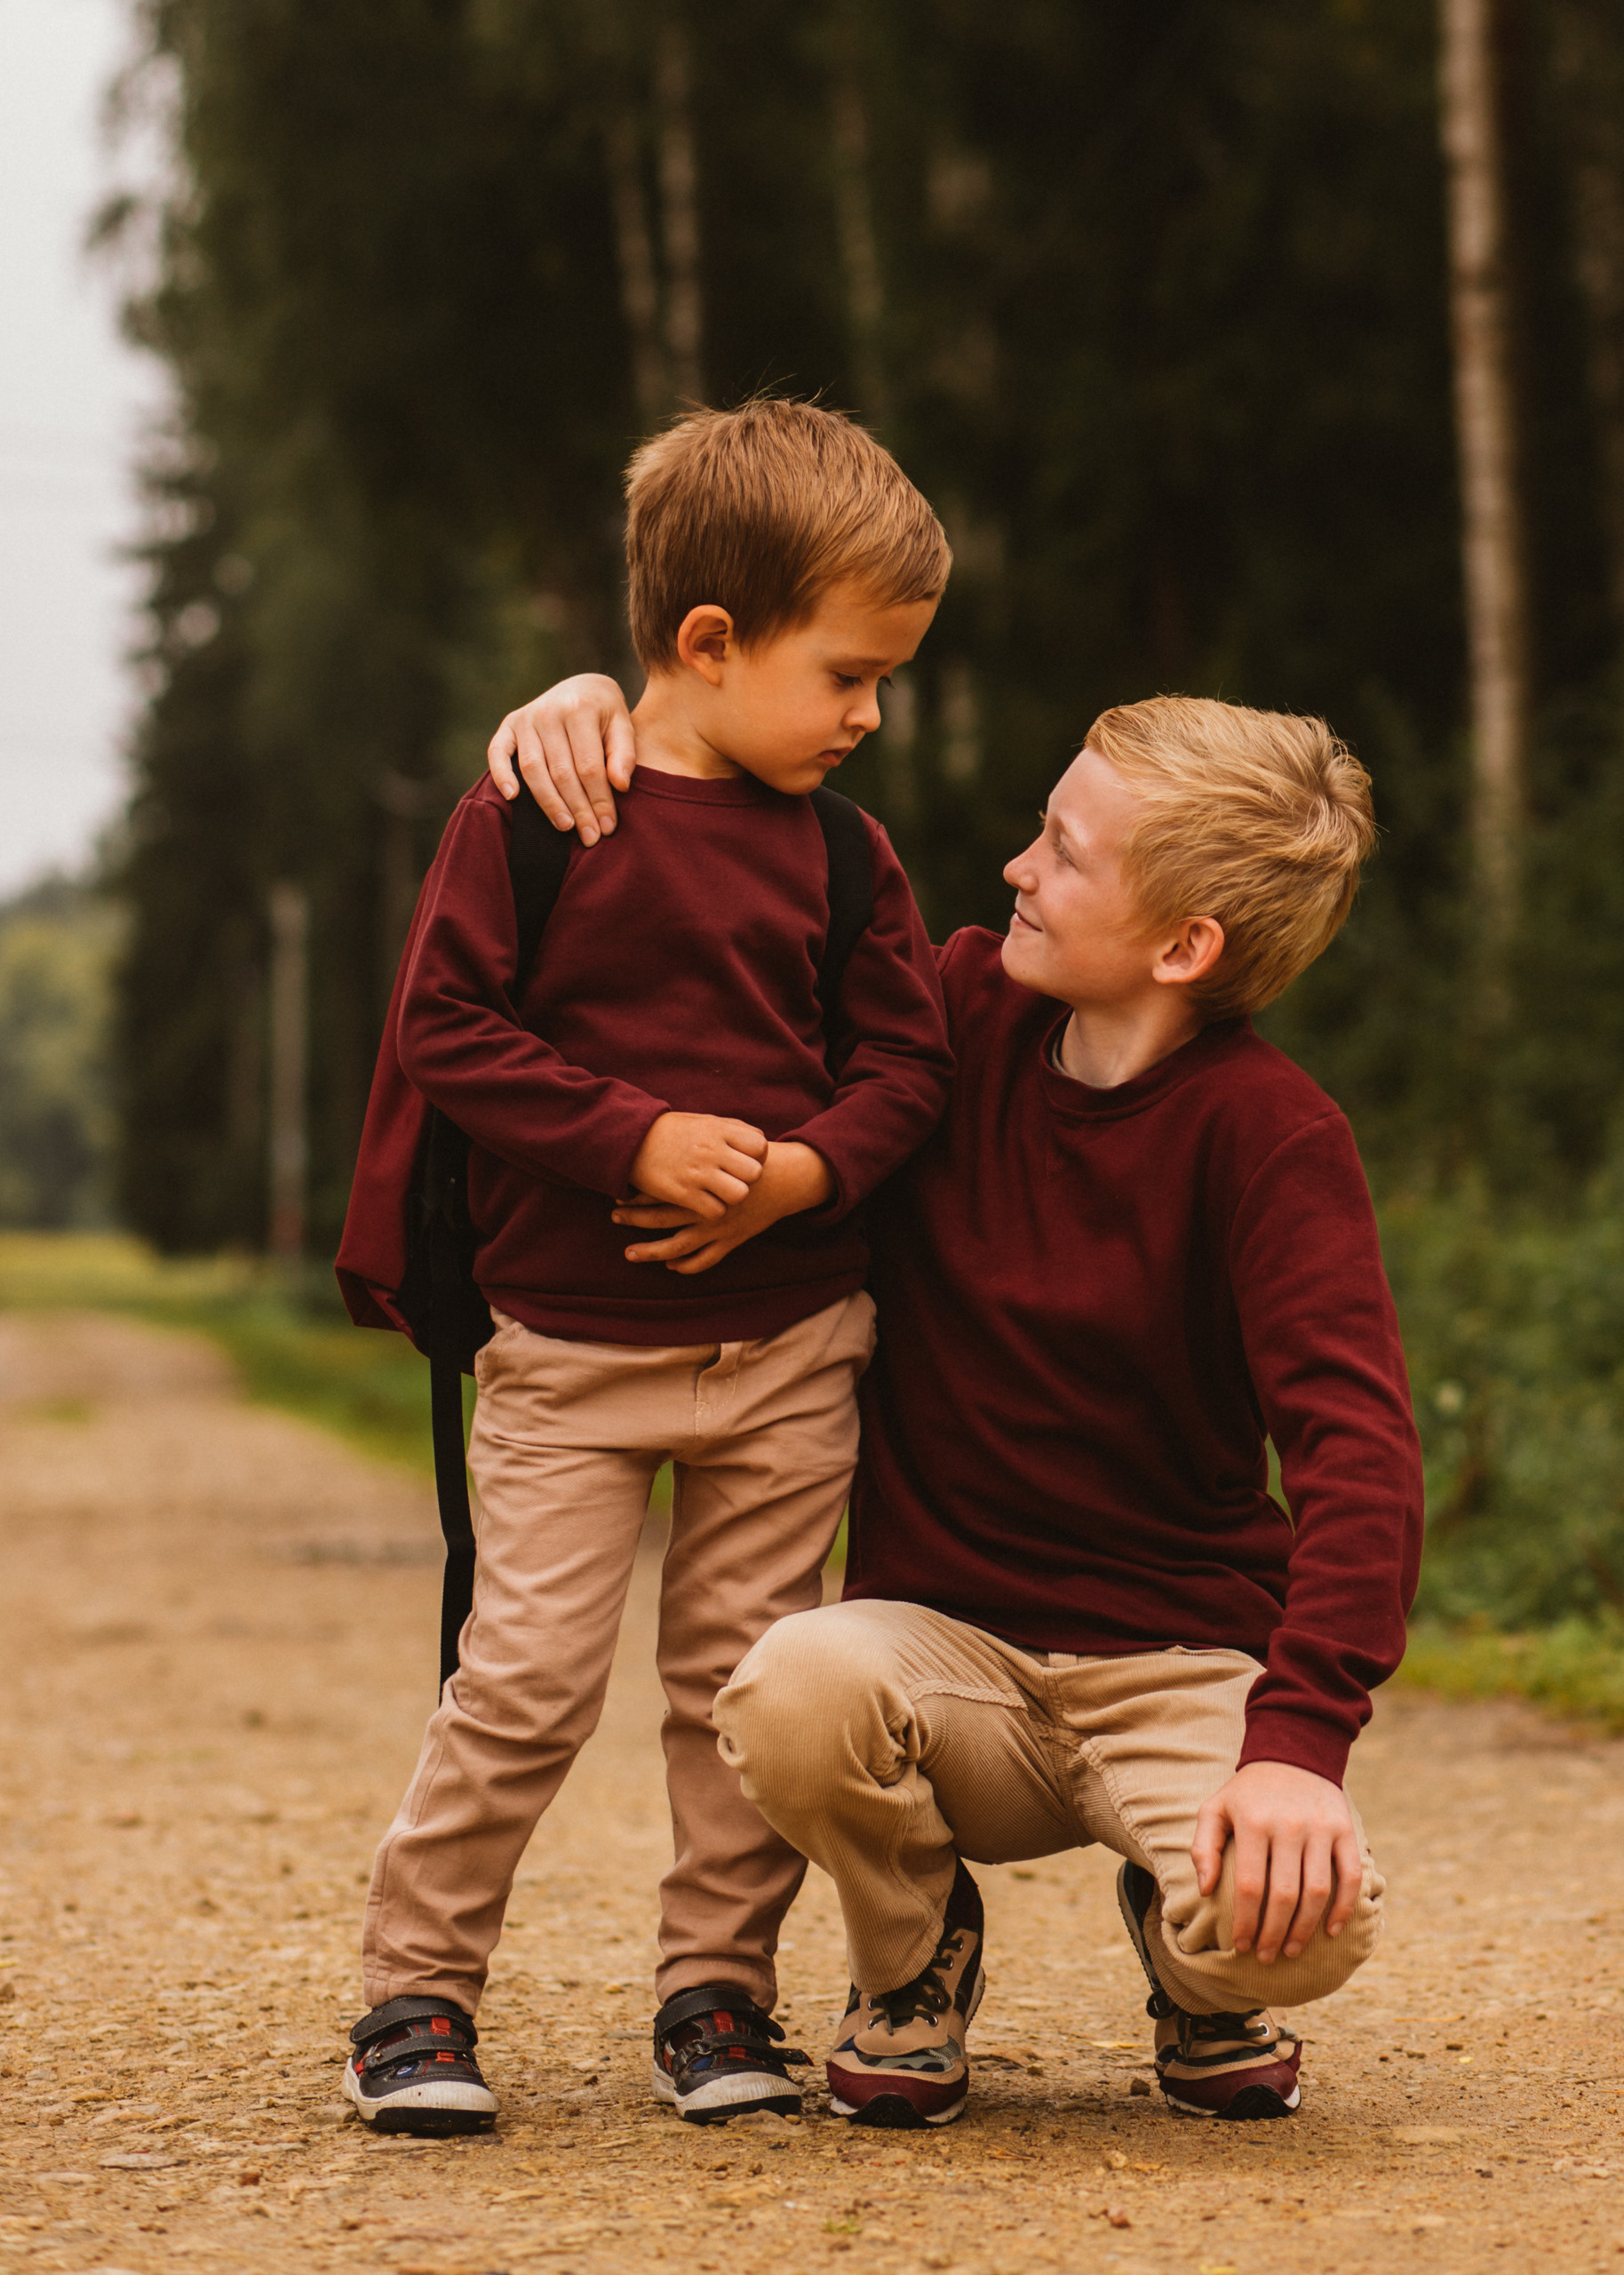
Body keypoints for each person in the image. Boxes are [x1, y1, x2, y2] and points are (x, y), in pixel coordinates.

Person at [488, 676, 1424, 2130]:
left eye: (1061, 849)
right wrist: (624, 707)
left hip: (1177, 1663)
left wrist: (1296, 1753)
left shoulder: (1273, 1138)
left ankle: (1198, 1973)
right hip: (942, 1665)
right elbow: (711, 969)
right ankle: (915, 1962)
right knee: (786, 1683)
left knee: (1306, 1927)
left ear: (1183, 945)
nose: (1013, 870)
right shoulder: (952, 1017)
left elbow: (1358, 1458)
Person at [334, 400, 954, 2135]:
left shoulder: (845, 854)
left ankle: (713, 1990)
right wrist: (632, 1138)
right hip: (567, 1354)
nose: (869, 713)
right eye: (847, 672)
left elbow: (909, 1067)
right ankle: (417, 1988)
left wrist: (803, 1175)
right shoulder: (539, 815)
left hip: (787, 1346)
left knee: (738, 1695)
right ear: (709, 642)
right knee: (523, 1681)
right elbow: (444, 1026)